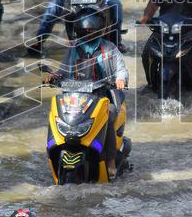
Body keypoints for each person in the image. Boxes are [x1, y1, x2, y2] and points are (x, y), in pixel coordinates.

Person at [43, 11, 128, 175]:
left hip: (101, 96)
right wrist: (53, 77)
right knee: (56, 113)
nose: (88, 32)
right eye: (85, 29)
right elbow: (63, 70)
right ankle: (54, 155)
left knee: (108, 114)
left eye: (91, 29)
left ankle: (110, 161)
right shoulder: (73, 48)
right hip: (75, 97)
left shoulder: (109, 48)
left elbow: (121, 69)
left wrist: (120, 79)